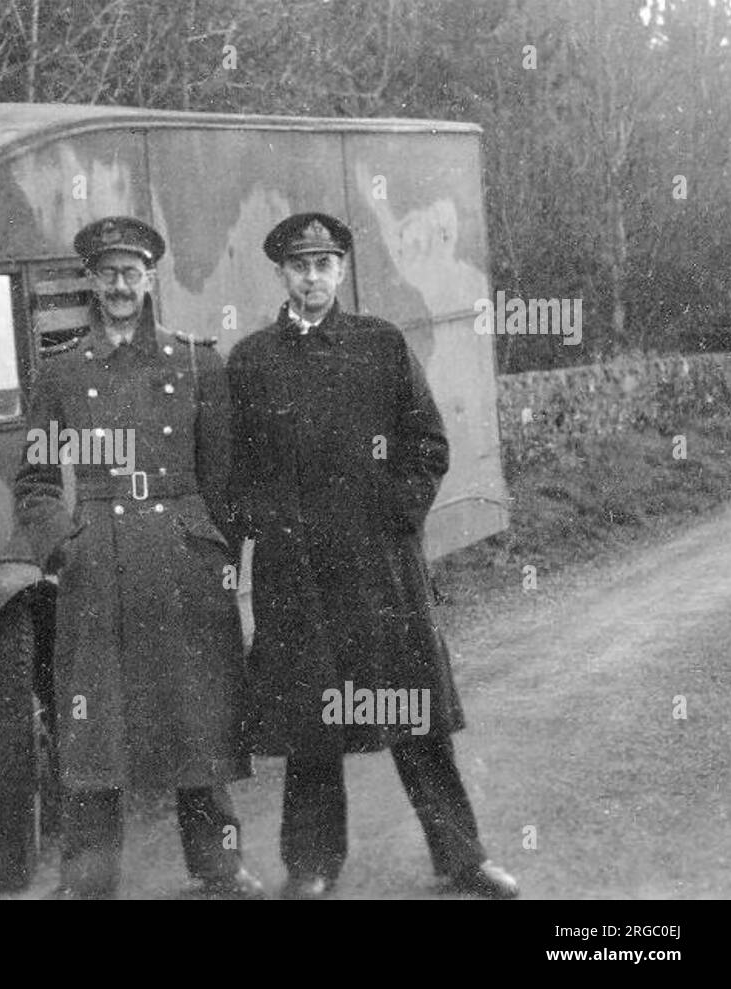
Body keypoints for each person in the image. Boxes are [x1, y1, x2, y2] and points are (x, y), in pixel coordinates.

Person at [225, 212, 519, 901]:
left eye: (325, 264)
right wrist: (265, 529)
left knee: (416, 717)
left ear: (342, 271)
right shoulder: (252, 360)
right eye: (300, 266)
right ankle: (312, 865)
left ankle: (463, 856)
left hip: (380, 570)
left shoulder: (381, 345)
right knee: (312, 727)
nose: (312, 277)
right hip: (296, 578)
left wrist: (394, 514)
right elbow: (236, 471)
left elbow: (427, 445)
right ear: (281, 275)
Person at [13, 215, 262, 899]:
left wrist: (218, 556)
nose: (120, 286)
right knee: (93, 722)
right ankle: (88, 881)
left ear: (150, 277)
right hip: (99, 565)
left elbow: (225, 481)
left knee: (198, 713)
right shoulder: (61, 372)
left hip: (183, 561)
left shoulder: (195, 362)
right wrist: (65, 547)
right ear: (90, 281)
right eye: (107, 273)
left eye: (132, 272)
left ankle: (219, 866)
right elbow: (35, 482)